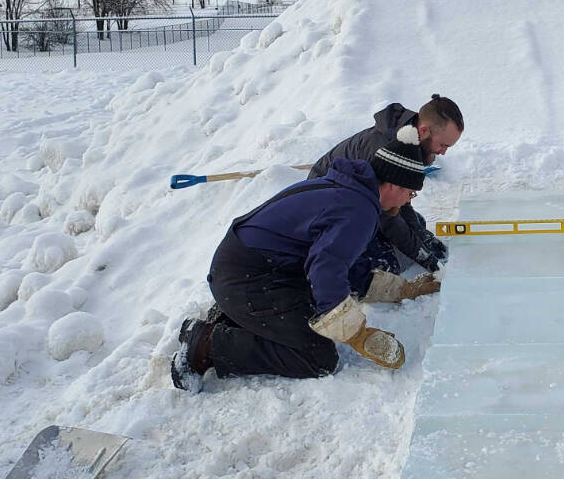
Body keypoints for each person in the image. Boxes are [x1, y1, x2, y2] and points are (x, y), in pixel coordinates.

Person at [171, 126, 441, 393]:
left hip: (251, 266)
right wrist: (356, 333)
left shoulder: (352, 191)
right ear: (394, 184)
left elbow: (342, 262)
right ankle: (208, 344)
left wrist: (400, 290)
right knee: (316, 357)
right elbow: (326, 270)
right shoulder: (357, 210)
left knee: (316, 303)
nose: (408, 201)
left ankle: (233, 316)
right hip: (249, 276)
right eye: (410, 193)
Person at [307, 94, 463, 294]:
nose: (443, 152)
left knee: (417, 224)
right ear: (424, 130)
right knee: (387, 263)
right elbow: (388, 216)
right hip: (329, 209)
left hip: (364, 202)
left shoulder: (412, 140)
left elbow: (400, 200)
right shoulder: (384, 149)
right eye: (443, 145)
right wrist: (421, 254)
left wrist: (421, 236)